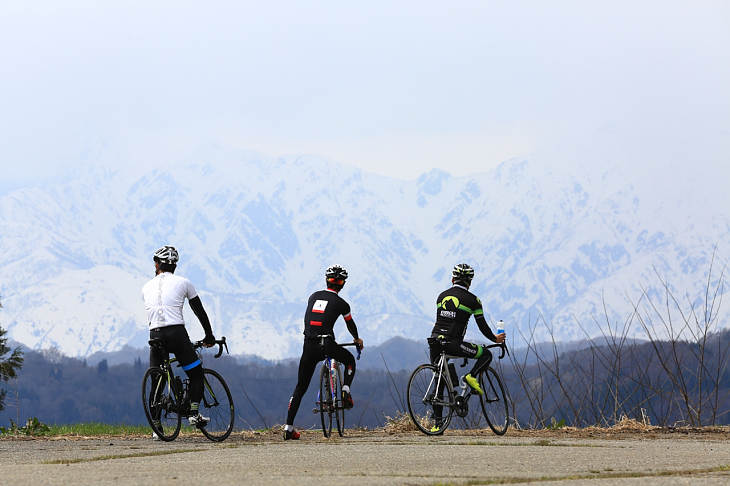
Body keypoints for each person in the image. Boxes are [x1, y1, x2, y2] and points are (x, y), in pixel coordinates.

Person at [283, 264, 364, 440]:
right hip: (326, 344)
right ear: (342, 284)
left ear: (327, 280)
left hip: (308, 345)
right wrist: (357, 339)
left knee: (300, 387)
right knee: (350, 360)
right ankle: (345, 389)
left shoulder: (313, 296)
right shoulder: (342, 303)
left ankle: (288, 428)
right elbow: (350, 324)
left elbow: (316, 318)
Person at [142, 245, 216, 435]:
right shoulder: (184, 282)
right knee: (196, 373)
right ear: (174, 266)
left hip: (155, 335)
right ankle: (193, 413)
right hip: (176, 334)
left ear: (157, 265)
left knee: (157, 379)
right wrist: (209, 335)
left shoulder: (146, 287)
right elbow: (199, 311)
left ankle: (156, 428)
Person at [430, 263, 506, 397]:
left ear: (453, 280)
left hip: (434, 342)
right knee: (486, 354)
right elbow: (482, 326)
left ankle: (438, 418)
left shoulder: (441, 296)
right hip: (453, 344)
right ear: (469, 283)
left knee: (439, 385)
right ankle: (471, 376)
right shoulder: (473, 300)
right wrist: (495, 339)